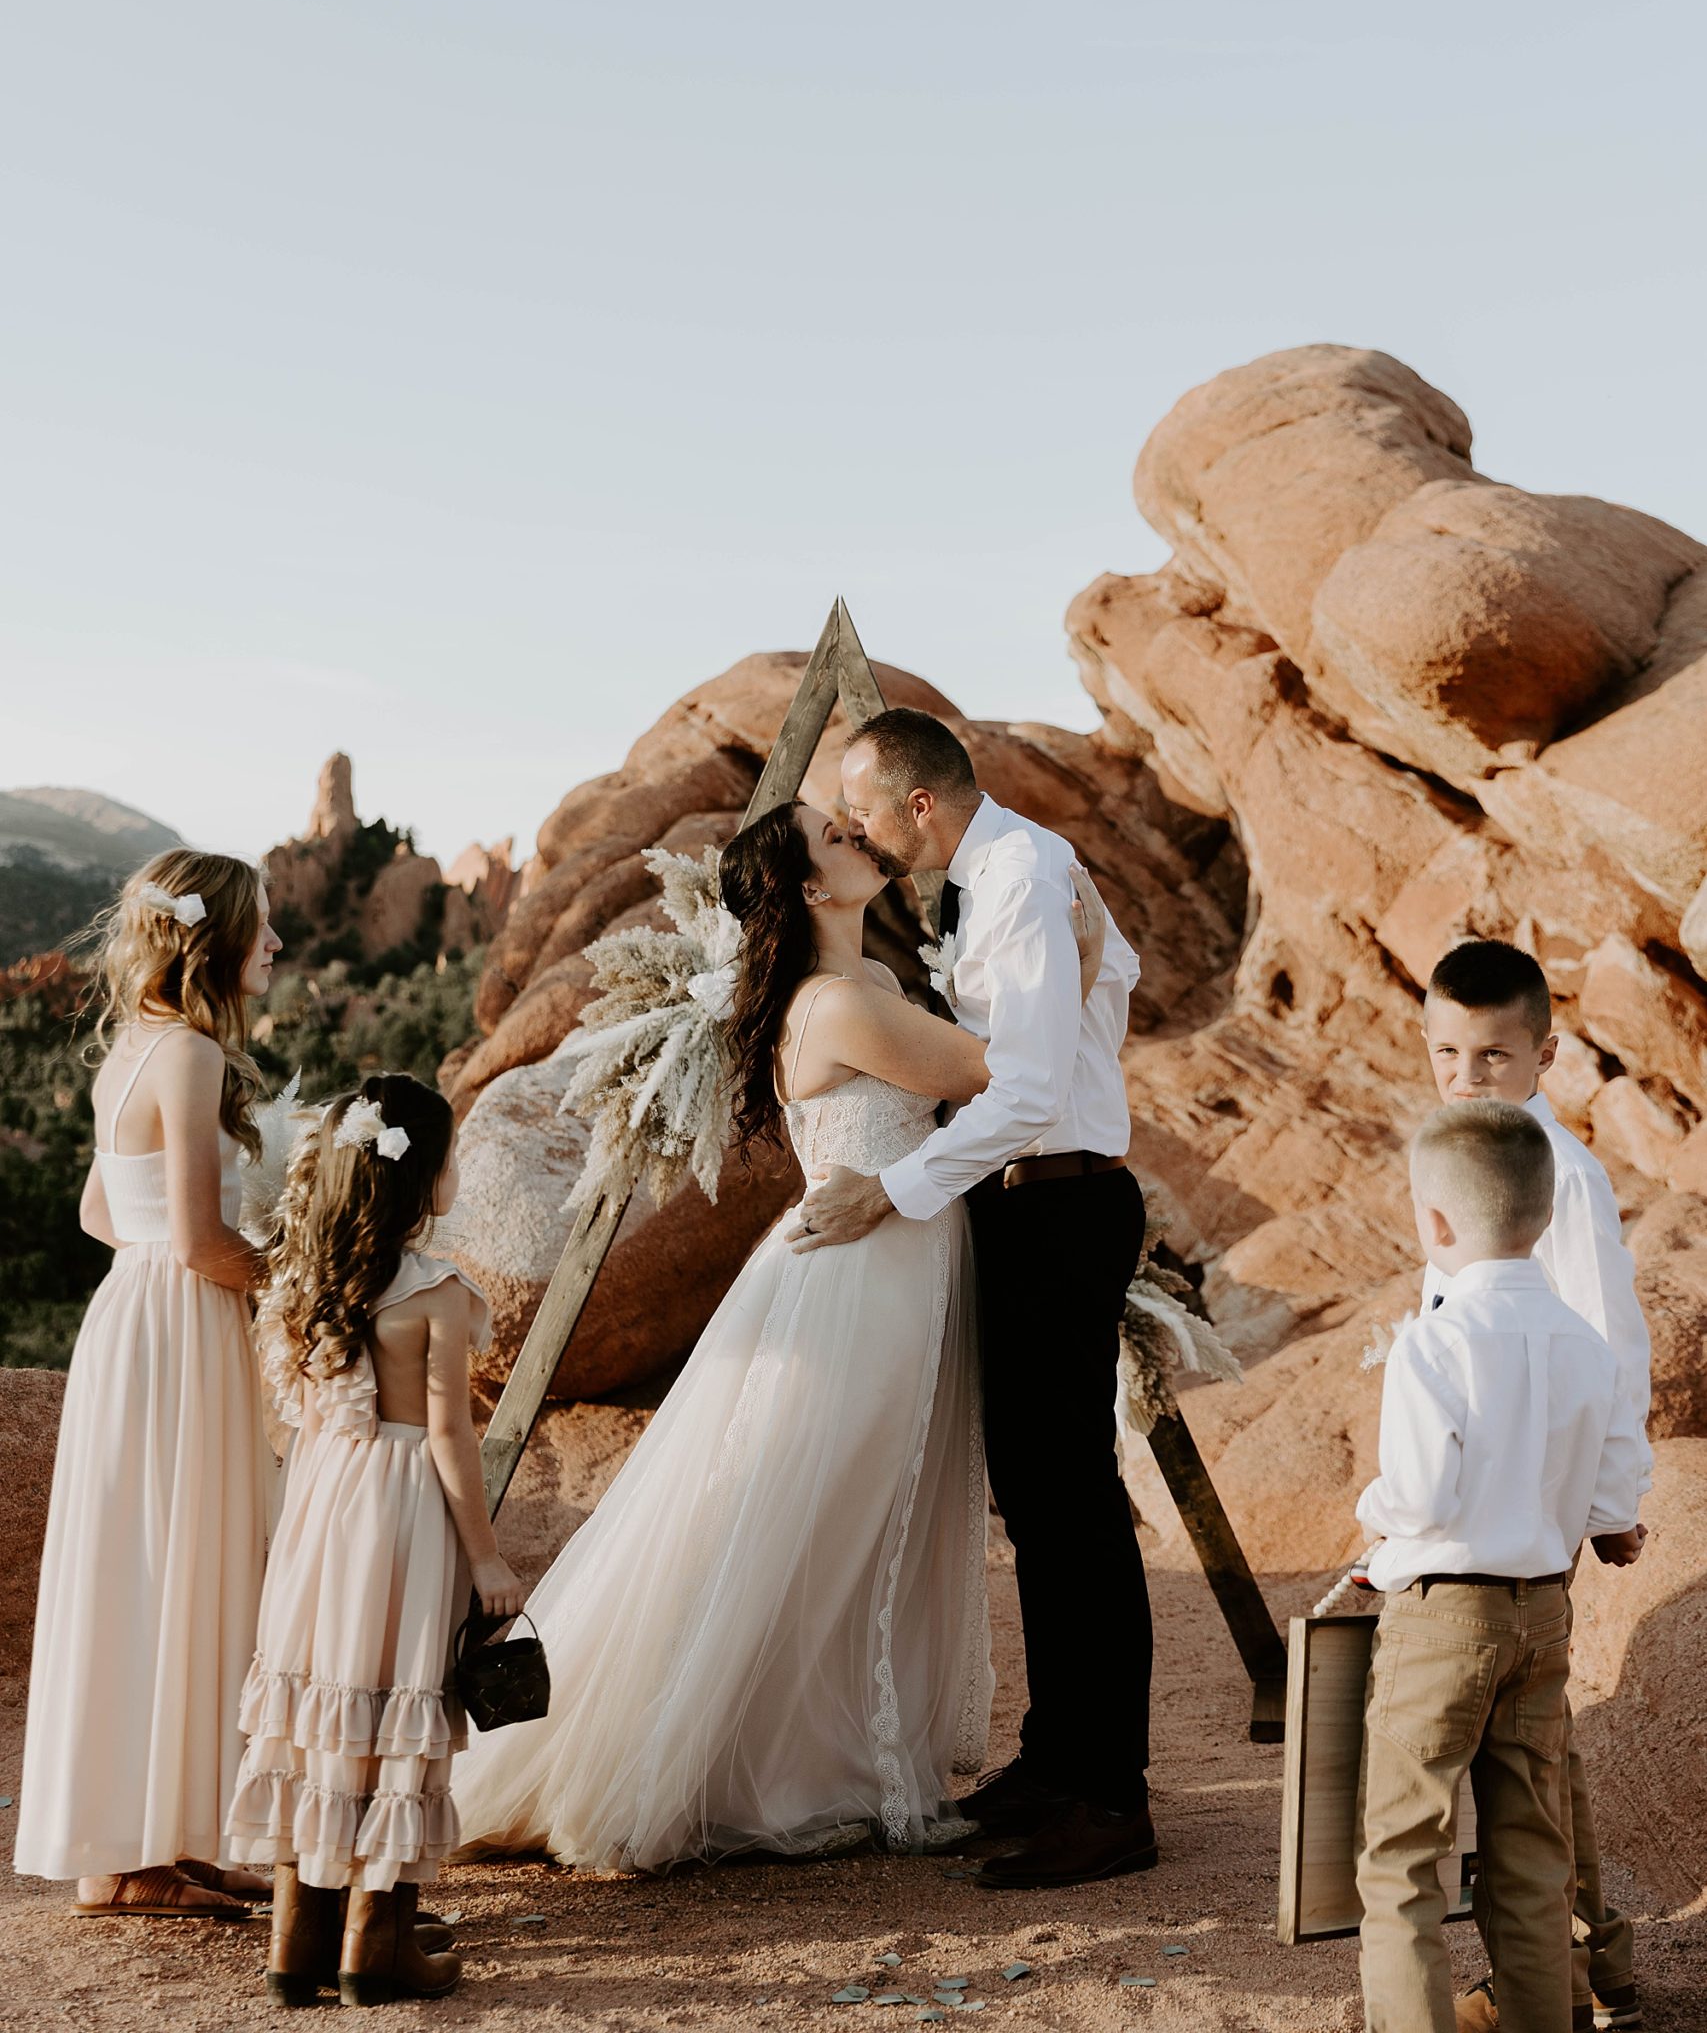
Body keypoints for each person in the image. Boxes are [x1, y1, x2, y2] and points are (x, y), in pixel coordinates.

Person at [451, 798, 1105, 1872]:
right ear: (808, 888)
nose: (857, 834)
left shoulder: (874, 981)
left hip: (899, 1264)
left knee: (853, 1519)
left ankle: (821, 1755)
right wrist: (1076, 972)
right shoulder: (838, 1003)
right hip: (860, 1284)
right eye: (835, 837)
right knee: (805, 1515)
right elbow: (996, 1074)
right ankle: (726, 1764)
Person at [809, 709, 1150, 1892]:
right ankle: (1057, 1762)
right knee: (1038, 1502)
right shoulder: (997, 874)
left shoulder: (1021, 872)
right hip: (1023, 1205)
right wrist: (1089, 997)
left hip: (1060, 1202)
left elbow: (1030, 1088)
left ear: (920, 805)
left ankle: (1110, 1800)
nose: (852, 826)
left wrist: (894, 1188)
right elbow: (1114, 975)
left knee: (1075, 1505)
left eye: (861, 806)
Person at [15, 851, 282, 1919]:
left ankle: (151, 1843)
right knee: (187, 1557)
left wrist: (166, 1263)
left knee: (142, 1563)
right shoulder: (195, 1054)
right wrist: (304, 1282)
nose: (275, 944)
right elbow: (206, 1238)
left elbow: (99, 1213)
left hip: (132, 1310)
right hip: (182, 1319)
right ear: (216, 941)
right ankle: (145, 1853)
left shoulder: (131, 1047)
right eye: (262, 925)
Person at [226, 1072, 525, 2007]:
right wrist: (484, 1556)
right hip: (402, 1514)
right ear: (424, 1177)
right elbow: (448, 1436)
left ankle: (298, 1941)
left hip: (323, 1505)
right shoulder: (438, 1294)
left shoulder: (307, 1281)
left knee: (322, 1704)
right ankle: (375, 1943)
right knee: (397, 1696)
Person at [1355, 1100, 1647, 2033]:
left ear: (1433, 1223)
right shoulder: (1584, 1344)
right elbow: (1613, 1487)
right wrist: (1604, 1524)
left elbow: (1417, 1496)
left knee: (1402, 1857)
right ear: (1545, 1214)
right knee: (1530, 1855)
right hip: (1542, 1613)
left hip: (1442, 1618)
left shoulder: (1433, 1340)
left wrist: (1372, 1519)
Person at [1421, 941, 1651, 2033]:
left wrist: (1610, 1504)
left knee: (1516, 1749)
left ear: (1544, 1056)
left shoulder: (1564, 1174)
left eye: (1494, 1055)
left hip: (1532, 1505)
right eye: (1446, 1052)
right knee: (1533, 1736)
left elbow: (1611, 1340)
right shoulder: (1456, 1152)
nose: (1467, 1075)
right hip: (1475, 1493)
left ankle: (1545, 1980)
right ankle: (1597, 1964)